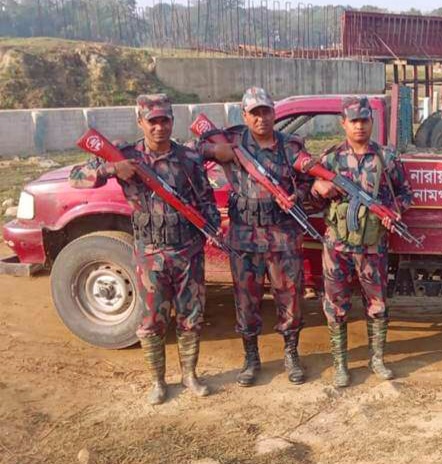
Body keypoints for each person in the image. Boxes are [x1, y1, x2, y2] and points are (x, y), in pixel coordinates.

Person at [69, 94, 217, 404]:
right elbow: (77, 179)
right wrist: (112, 170)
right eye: (153, 121)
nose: (159, 127)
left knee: (191, 317)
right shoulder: (123, 156)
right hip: (150, 253)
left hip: (188, 251)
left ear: (172, 122)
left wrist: (210, 231)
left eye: (165, 120)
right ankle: (158, 382)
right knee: (151, 321)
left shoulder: (188, 159)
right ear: (141, 122)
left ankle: (190, 376)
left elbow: (206, 201)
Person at [197, 87, 312, 387]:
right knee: (246, 300)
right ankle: (251, 358)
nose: (261, 118)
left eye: (266, 112)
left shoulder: (290, 146)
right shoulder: (231, 141)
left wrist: (294, 195)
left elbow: (310, 184)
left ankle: (291, 354)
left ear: (274, 114)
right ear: (244, 116)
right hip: (244, 237)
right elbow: (189, 152)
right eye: (254, 113)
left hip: (282, 236)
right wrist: (213, 151)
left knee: (290, 298)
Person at [310, 96, 414, 388]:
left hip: (373, 246)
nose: (359, 126)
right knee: (335, 306)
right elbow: (310, 192)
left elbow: (406, 194)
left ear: (372, 122)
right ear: (343, 123)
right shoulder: (330, 158)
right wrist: (320, 187)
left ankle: (377, 359)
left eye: (364, 120)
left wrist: (394, 211)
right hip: (337, 247)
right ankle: (341, 365)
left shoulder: (386, 158)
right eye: (353, 121)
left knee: (377, 305)